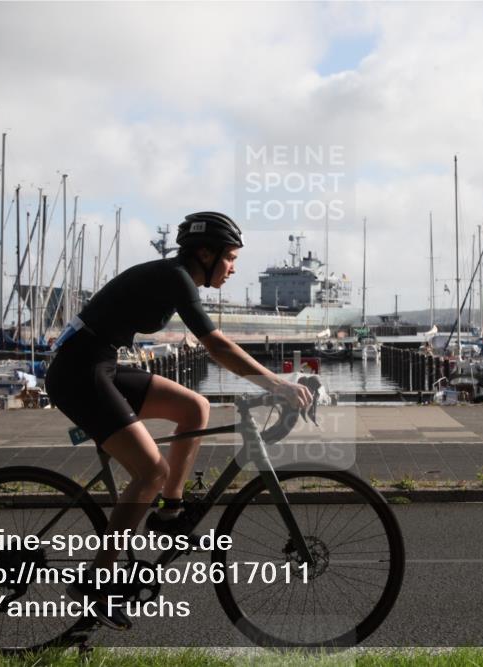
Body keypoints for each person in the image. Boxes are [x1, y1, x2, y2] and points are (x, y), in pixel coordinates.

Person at [44, 211, 311, 630]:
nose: (233, 268)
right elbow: (216, 345)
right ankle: (95, 584)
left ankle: (169, 513)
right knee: (151, 471)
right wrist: (276, 384)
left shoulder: (177, 277)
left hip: (101, 364)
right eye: (230, 258)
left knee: (195, 408)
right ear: (205, 254)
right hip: (78, 374)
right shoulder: (176, 277)